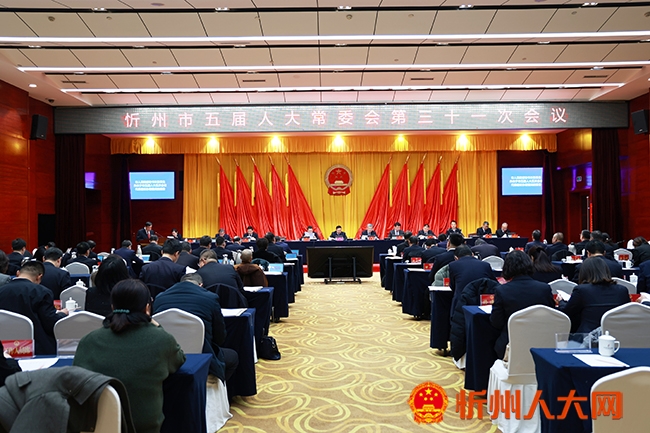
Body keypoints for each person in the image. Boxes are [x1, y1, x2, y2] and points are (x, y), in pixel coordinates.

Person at [74, 279, 185, 433]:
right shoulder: (162, 340)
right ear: (147, 308)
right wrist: (156, 325)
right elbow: (179, 359)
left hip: (96, 425)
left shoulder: (89, 340)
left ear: (112, 307)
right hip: (145, 428)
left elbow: (76, 382)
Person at [153, 273, 238, 382]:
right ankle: (214, 390)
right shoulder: (210, 298)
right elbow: (220, 338)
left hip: (165, 359)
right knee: (233, 357)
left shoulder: (160, 298)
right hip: (201, 358)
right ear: (201, 285)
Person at [490, 250, 555, 359]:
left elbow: (496, 322)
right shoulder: (544, 288)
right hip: (542, 345)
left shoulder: (502, 291)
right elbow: (551, 317)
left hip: (511, 346)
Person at [0, 261, 68, 355]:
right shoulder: (42, 292)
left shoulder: (2, 290)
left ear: (18, 273)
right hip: (37, 347)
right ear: (39, 277)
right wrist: (62, 314)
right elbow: (50, 323)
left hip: (4, 347)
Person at [559, 258, 630, 334]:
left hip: (587, 336)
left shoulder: (581, 290)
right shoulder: (622, 290)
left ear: (584, 273)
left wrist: (561, 302)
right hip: (617, 334)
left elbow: (567, 313)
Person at [448, 245, 496, 313]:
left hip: (462, 301)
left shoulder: (453, 265)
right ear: (473, 254)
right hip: (483, 301)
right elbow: (493, 283)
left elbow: (452, 286)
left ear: (456, 258)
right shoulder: (485, 264)